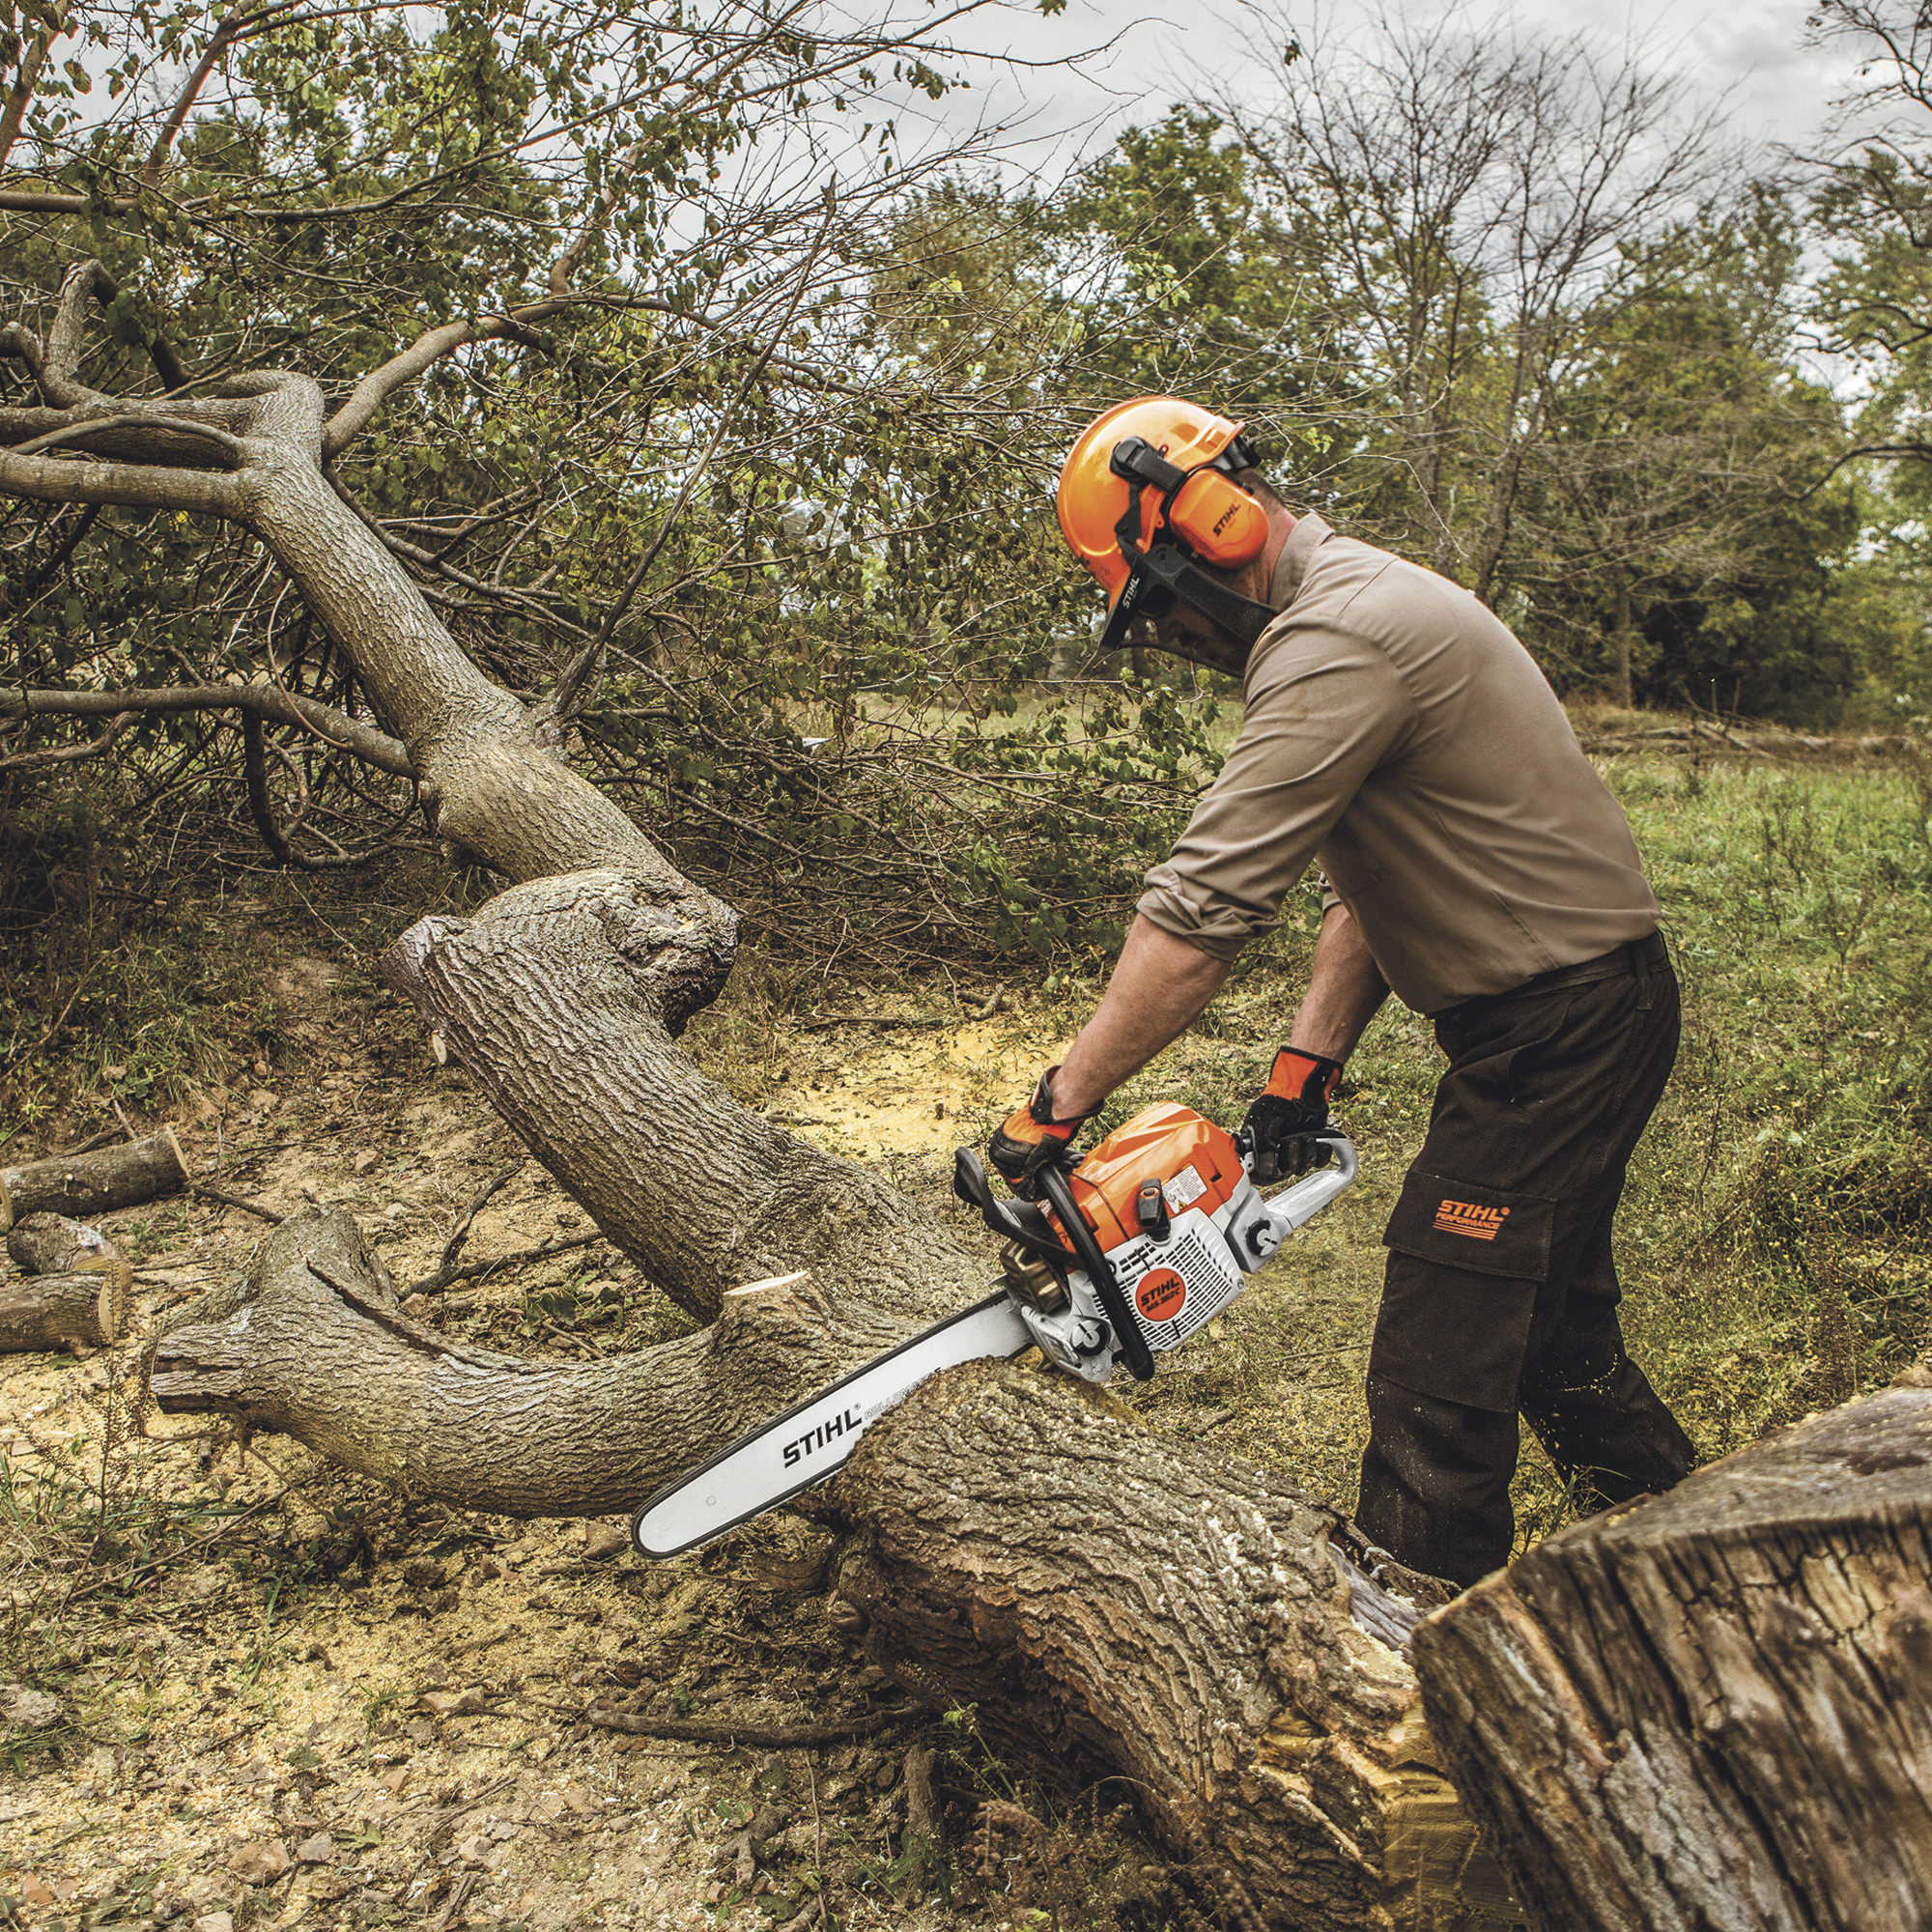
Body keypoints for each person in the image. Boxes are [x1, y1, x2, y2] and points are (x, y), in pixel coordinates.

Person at [988, 395, 1696, 1588]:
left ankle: (1405, 1644)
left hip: (1562, 1027)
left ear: (1206, 524)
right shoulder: (1347, 613)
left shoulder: (1338, 635)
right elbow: (1370, 883)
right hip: (1571, 1016)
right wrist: (1300, 1071)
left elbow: (1200, 911)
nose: (1167, 633)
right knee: (1549, 1334)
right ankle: (1698, 1557)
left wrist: (1054, 1107)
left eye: (1154, 602)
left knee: (1442, 1340)